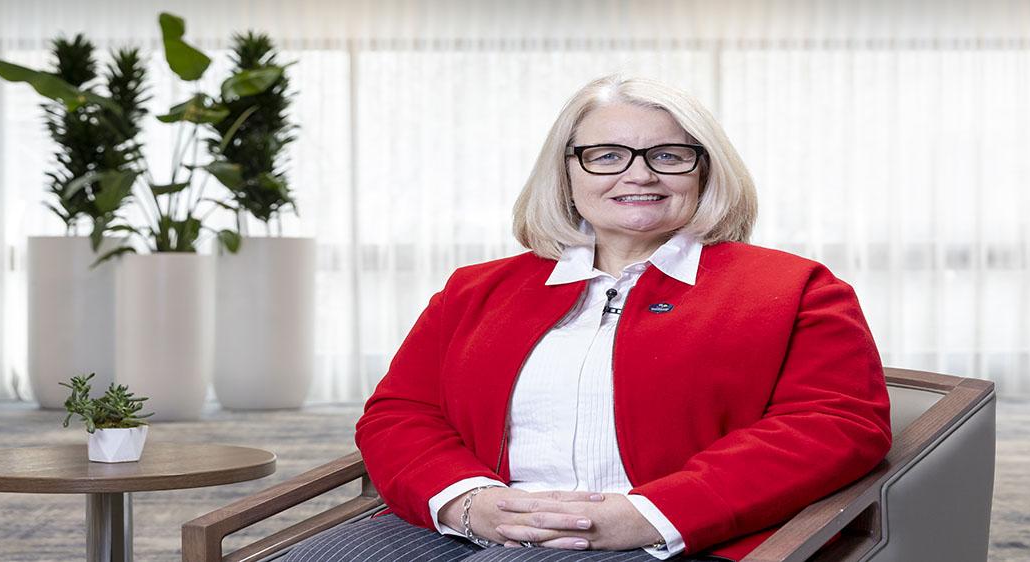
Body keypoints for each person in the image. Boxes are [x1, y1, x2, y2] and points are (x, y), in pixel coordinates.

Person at [285, 75, 892, 562]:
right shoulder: (474, 289)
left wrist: (649, 515)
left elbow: (835, 424)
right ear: (567, 172)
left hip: (670, 538)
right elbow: (401, 413)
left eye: (669, 155)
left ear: (704, 170)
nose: (639, 174)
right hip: (473, 520)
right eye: (606, 155)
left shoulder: (794, 287)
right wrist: (468, 500)